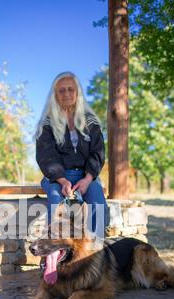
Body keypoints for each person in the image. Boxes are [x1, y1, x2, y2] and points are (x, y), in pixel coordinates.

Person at [35, 71, 108, 236]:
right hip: (56, 177)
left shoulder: (91, 121)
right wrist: (62, 181)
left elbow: (98, 152)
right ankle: (52, 255)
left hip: (86, 176)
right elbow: (46, 156)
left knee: (98, 205)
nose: (66, 94)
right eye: (61, 90)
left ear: (78, 93)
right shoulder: (47, 123)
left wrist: (88, 179)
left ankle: (94, 253)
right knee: (56, 200)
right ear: (55, 95)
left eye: (70, 89)